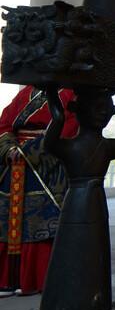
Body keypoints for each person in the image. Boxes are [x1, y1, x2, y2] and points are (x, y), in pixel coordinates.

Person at [0, 86, 76, 296]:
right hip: (14, 165)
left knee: (40, 221)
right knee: (7, 222)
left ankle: (35, 279)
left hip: (45, 167)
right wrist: (10, 149)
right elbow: (5, 122)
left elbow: (69, 128)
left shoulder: (70, 92)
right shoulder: (25, 93)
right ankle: (7, 279)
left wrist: (29, 151)